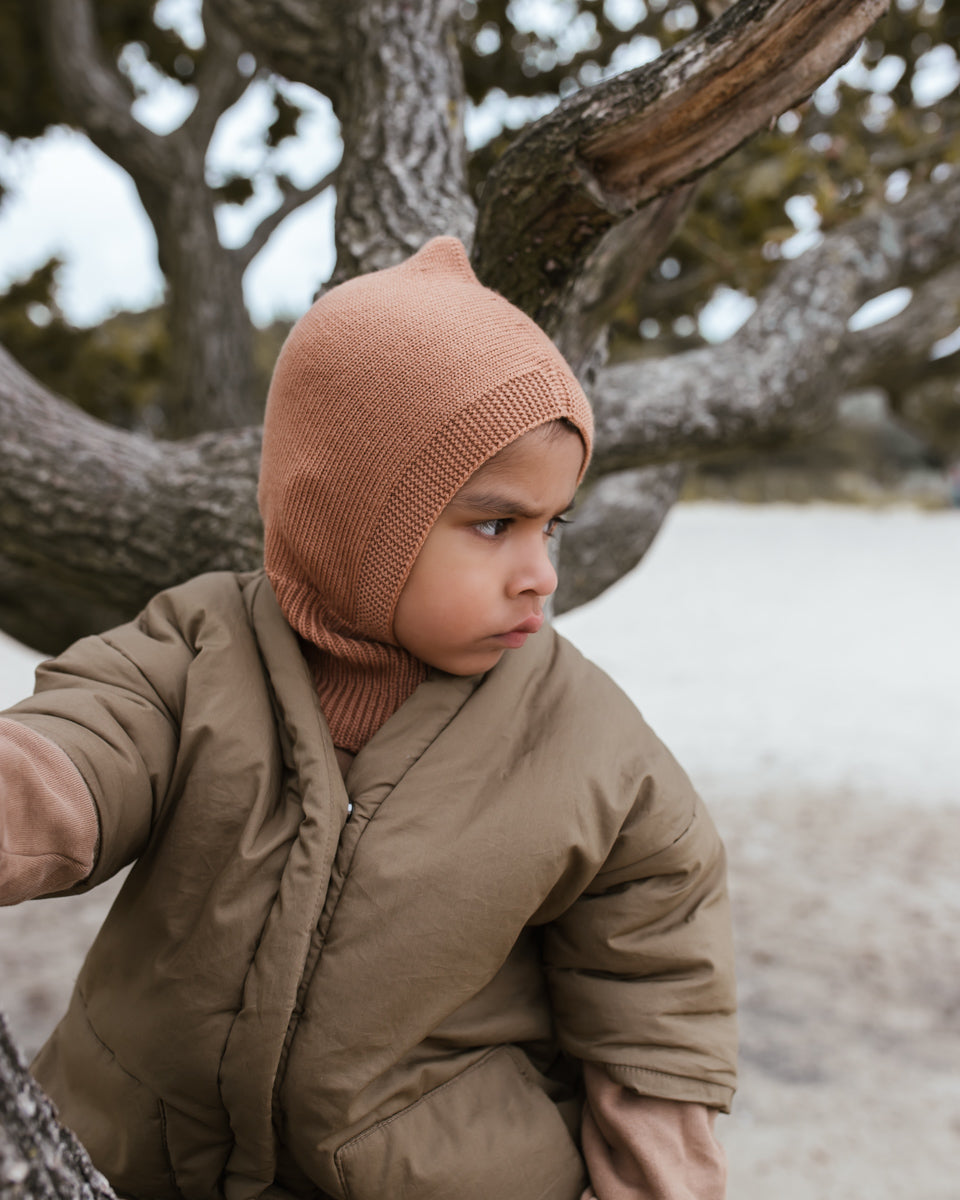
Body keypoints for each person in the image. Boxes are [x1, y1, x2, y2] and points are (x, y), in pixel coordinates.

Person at [0, 237, 737, 1200]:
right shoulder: (199, 647)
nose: (540, 574)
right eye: (493, 525)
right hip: (139, 1158)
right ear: (352, 518)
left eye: (550, 525)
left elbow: (656, 1021)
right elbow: (82, 751)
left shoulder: (596, 757)